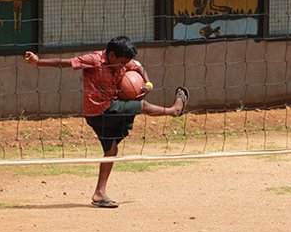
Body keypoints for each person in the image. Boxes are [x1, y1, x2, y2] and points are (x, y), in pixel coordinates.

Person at [24, 36, 189, 209]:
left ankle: (99, 194)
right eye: (121, 63)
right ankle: (174, 111)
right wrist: (38, 62)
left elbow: (139, 67)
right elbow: (64, 63)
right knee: (142, 106)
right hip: (100, 110)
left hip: (106, 111)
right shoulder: (94, 60)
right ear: (111, 55)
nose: (124, 67)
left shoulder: (124, 61)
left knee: (111, 150)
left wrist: (147, 83)